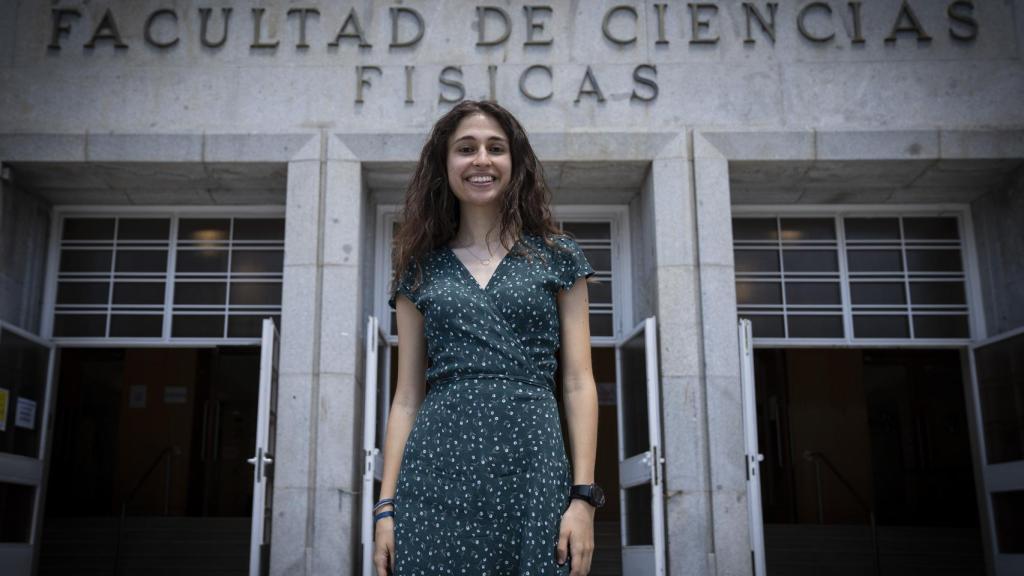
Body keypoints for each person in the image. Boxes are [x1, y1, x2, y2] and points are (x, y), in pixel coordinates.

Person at [372, 99, 604, 576]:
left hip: (533, 470)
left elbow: (579, 382)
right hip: (435, 476)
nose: (481, 159)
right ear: (445, 164)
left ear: (515, 164)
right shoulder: (418, 270)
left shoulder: (557, 257)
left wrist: (583, 498)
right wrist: (385, 509)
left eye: (495, 148)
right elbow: (406, 399)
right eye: (465, 148)